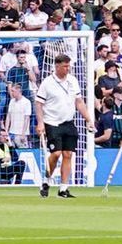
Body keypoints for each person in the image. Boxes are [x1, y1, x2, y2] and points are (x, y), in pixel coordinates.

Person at [35, 49, 84, 198]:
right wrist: (40, 123)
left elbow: (79, 101)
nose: (67, 69)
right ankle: (46, 179)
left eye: (68, 66)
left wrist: (88, 119)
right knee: (56, 154)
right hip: (52, 122)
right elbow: (39, 103)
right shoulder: (48, 83)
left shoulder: (73, 81)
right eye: (64, 66)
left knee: (68, 154)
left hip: (68, 122)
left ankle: (63, 188)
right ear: (57, 66)